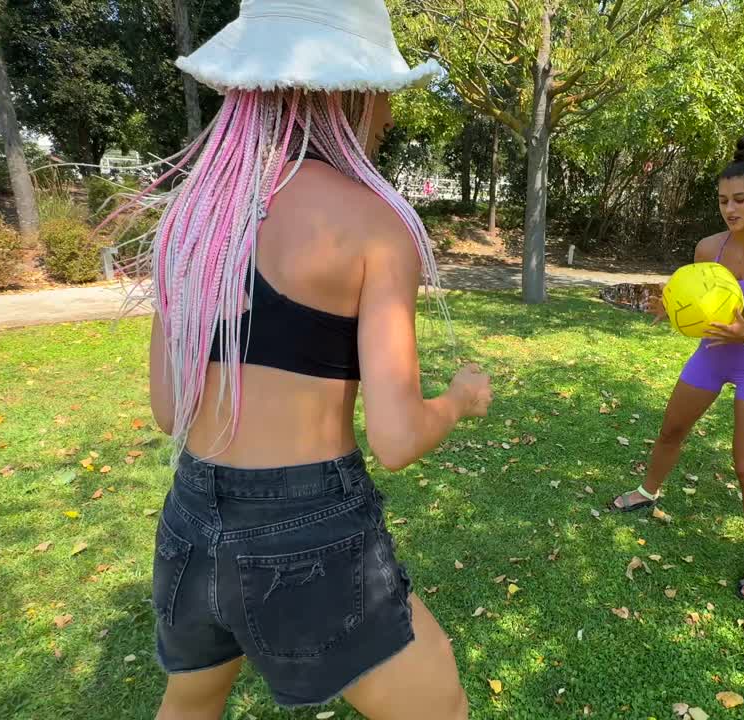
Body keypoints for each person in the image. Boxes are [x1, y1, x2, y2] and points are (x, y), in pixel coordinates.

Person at [124, 1, 492, 718]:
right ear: (353, 90)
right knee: (440, 705)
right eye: (385, 93)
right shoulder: (374, 226)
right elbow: (396, 439)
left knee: (191, 705)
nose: (387, 116)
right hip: (309, 529)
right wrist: (459, 400)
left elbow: (170, 411)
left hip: (192, 518)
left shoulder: (190, 221)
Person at [611, 137, 744, 600]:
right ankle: (649, 490)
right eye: (722, 200)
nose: (729, 209)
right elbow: (697, 303)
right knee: (670, 431)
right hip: (711, 356)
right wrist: (673, 311)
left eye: (740, 199)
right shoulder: (706, 248)